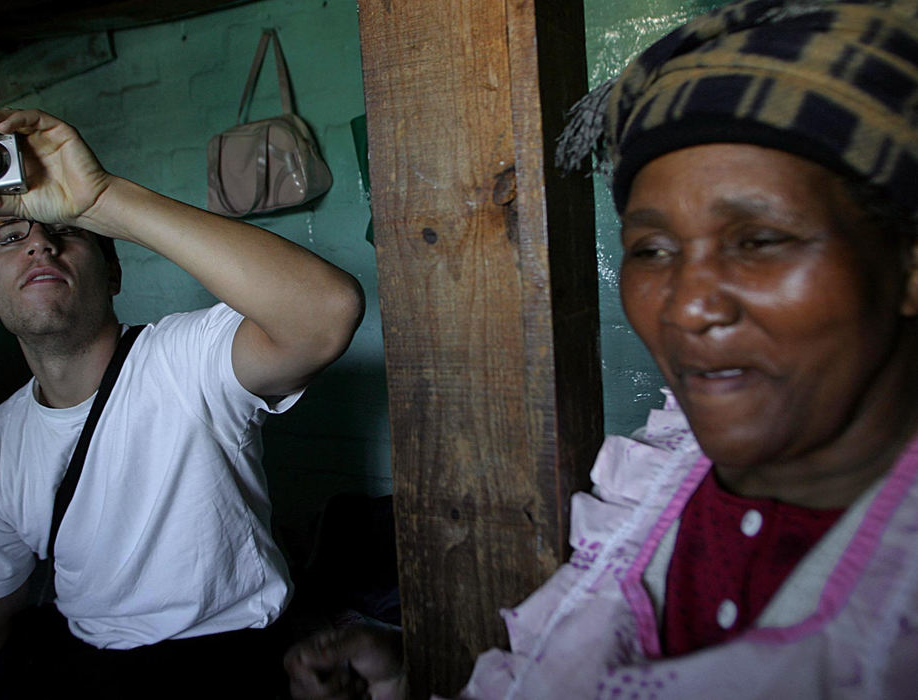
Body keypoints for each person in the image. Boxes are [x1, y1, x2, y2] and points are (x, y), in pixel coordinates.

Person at [283, 0, 918, 697]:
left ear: (906, 269)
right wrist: (403, 678)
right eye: (653, 249)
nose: (687, 303)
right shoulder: (658, 493)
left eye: (760, 241)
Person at [0, 108, 364, 698]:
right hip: (90, 665)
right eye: (10, 237)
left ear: (114, 276)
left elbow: (326, 312)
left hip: (231, 658)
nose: (39, 243)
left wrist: (100, 199)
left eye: (66, 232)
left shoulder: (181, 358)